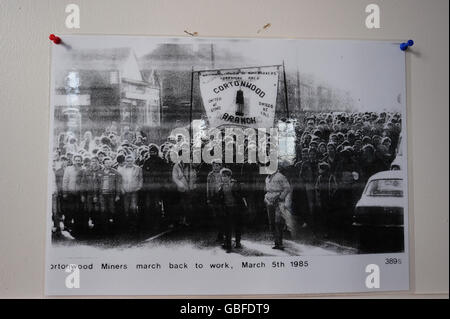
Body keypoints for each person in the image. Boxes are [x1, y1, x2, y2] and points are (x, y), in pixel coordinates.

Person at [218, 168, 246, 253]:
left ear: (230, 176)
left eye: (226, 176)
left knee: (237, 226)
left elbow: (241, 196)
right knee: (227, 227)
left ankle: (237, 242)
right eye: (222, 176)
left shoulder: (234, 184)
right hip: (227, 208)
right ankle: (228, 245)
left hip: (236, 208)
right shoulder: (221, 186)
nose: (224, 178)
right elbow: (220, 198)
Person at [264, 166, 291, 250]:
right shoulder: (267, 178)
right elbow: (266, 190)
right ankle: (276, 242)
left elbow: (287, 188)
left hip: (278, 202)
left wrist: (281, 197)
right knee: (271, 222)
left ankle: (280, 243)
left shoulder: (280, 176)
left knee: (278, 222)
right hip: (269, 201)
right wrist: (266, 198)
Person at [118, 155, 143, 232]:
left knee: (133, 208)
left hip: (134, 191)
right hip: (125, 191)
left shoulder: (138, 169)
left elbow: (140, 179)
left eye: (131, 161)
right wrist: (121, 189)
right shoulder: (121, 169)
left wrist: (139, 187)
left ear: (133, 161)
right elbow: (119, 181)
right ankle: (127, 225)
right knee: (126, 209)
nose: (129, 162)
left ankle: (134, 225)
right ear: (125, 161)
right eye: (128, 161)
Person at [62, 154, 84, 236]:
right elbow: (65, 181)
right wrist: (64, 192)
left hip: (79, 194)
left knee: (77, 211)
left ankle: (76, 227)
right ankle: (67, 226)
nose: (77, 161)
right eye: (76, 160)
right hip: (70, 193)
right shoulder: (68, 169)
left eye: (79, 160)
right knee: (69, 210)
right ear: (73, 160)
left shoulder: (83, 169)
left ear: (81, 161)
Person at [98, 157, 121, 234]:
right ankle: (105, 228)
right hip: (102, 194)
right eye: (106, 163)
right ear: (103, 164)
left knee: (112, 210)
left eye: (110, 162)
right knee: (103, 210)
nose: (108, 164)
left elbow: (118, 185)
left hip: (111, 194)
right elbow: (97, 184)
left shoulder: (115, 172)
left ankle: (113, 228)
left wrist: (118, 195)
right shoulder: (100, 172)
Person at [207, 160, 224, 242]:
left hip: (221, 196)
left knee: (222, 216)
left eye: (217, 165)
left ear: (220, 166)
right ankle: (220, 233)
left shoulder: (223, 174)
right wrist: (208, 197)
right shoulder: (210, 175)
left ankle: (222, 234)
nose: (215, 167)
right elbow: (208, 187)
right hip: (214, 196)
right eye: (214, 165)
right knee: (216, 216)